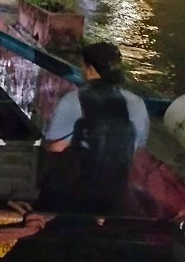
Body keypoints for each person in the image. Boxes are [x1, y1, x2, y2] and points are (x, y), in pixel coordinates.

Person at [41, 42, 149, 214]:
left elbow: (55, 149)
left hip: (74, 196)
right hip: (115, 196)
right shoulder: (138, 103)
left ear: (90, 69)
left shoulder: (73, 101)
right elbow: (138, 148)